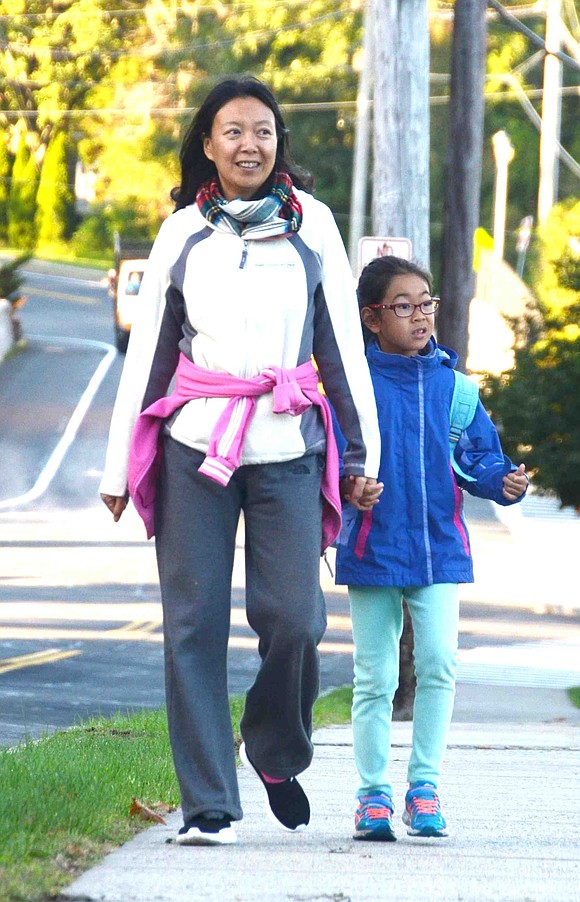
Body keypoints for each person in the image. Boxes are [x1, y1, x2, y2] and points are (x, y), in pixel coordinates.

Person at [99, 76, 381, 847]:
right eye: (232, 132)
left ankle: (275, 747)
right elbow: (149, 355)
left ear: (279, 141)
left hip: (289, 442)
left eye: (262, 131)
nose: (248, 144)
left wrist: (362, 453)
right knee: (192, 626)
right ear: (208, 145)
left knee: (296, 618)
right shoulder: (180, 234)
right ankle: (209, 804)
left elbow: (343, 349)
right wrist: (118, 469)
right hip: (196, 446)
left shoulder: (312, 226)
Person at [333, 255, 528, 842]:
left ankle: (424, 787)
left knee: (440, 664)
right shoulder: (354, 389)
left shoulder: (455, 388)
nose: (420, 315)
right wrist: (350, 485)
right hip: (372, 549)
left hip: (439, 552)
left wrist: (503, 481)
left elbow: (476, 458)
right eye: (404, 305)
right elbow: (332, 461)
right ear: (372, 317)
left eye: (427, 303)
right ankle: (372, 796)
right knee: (376, 677)